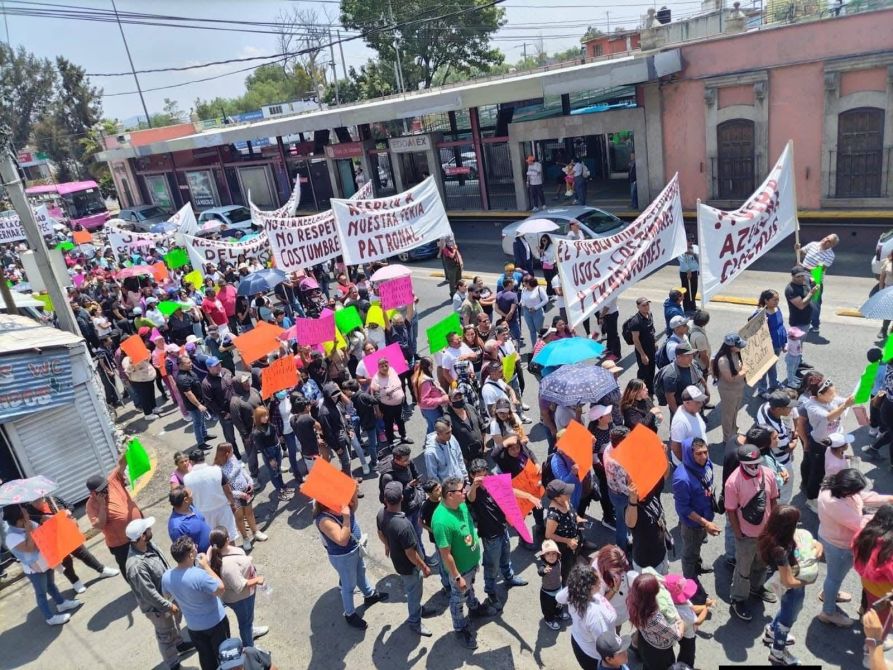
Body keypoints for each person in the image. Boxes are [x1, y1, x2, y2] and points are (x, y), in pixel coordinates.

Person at [817, 469, 893, 629]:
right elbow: (860, 524)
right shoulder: (833, 502)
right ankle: (828, 612)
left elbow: (863, 497)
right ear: (846, 489)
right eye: (856, 490)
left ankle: (830, 594)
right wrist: (882, 517)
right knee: (834, 578)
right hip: (838, 545)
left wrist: (888, 499)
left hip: (834, 538)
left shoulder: (836, 489)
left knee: (834, 577)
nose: (859, 493)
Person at [314, 491, 388, 629]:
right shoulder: (324, 519)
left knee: (361, 572)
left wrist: (354, 491)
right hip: (343, 557)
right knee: (349, 586)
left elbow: (353, 508)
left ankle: (369, 595)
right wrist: (346, 518)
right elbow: (342, 540)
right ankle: (350, 614)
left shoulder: (341, 505)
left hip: (355, 550)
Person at [124, 517, 190, 670]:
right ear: (141, 536)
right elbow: (149, 593)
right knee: (165, 635)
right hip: (158, 608)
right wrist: (167, 606)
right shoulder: (136, 566)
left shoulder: (149, 545)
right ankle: (174, 665)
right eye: (148, 529)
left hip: (168, 596)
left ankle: (180, 645)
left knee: (175, 624)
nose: (151, 530)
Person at [758, 504, 819, 666]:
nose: (798, 525)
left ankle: (771, 631)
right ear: (787, 528)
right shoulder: (780, 550)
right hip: (791, 588)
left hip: (788, 582)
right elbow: (788, 582)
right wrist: (809, 580)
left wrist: (815, 548)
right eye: (795, 523)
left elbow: (813, 544)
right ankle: (777, 652)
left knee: (786, 611)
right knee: (788, 619)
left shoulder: (773, 535)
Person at [725, 443, 780, 621]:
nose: (755, 467)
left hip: (765, 534)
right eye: (751, 464)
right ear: (741, 463)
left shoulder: (769, 474)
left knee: (762, 564)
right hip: (746, 536)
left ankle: (757, 588)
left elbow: (773, 500)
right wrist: (737, 533)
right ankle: (738, 600)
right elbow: (731, 510)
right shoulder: (733, 482)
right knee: (743, 569)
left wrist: (774, 526)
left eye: (758, 463)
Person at [433, 475, 489, 649]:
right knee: (458, 600)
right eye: (461, 490)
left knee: (470, 587)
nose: (464, 492)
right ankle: (460, 627)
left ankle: (474, 606)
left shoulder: (460, 503)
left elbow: (470, 498)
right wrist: (457, 576)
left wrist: (473, 486)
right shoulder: (441, 521)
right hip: (460, 571)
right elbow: (445, 554)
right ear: (450, 495)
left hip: (471, 564)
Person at [3, 505, 82, 625]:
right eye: (25, 514)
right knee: (41, 593)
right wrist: (29, 531)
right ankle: (50, 618)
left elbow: (44, 537)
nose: (28, 515)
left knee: (51, 585)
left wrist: (47, 522)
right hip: (34, 569)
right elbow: (29, 548)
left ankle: (61, 603)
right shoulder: (11, 537)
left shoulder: (30, 523)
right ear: (18, 519)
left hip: (46, 560)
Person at [467, 458, 528, 610]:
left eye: (484, 472)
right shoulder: (471, 490)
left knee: (506, 556)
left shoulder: (493, 483)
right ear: (472, 475)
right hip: (490, 536)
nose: (482, 476)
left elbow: (508, 495)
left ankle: (509, 577)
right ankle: (491, 592)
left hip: (503, 528)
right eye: (478, 474)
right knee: (491, 565)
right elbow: (470, 498)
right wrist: (474, 485)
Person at [161, 536, 229, 670]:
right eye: (194, 547)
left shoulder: (166, 576)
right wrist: (206, 567)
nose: (197, 547)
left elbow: (167, 595)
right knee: (225, 656)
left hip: (194, 627)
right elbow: (220, 589)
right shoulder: (199, 575)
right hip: (215, 623)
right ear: (191, 554)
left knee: (206, 658)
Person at [376, 481, 434, 637]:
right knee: (414, 593)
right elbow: (411, 553)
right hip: (409, 567)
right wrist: (424, 567)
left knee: (415, 592)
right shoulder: (403, 525)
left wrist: (387, 545)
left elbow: (380, 533)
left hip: (399, 562)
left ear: (385, 500)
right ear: (402, 498)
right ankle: (415, 621)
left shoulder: (381, 513)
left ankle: (419, 609)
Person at [672, 438, 721, 598]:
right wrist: (706, 523)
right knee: (688, 554)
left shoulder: (706, 464)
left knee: (697, 547)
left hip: (705, 517)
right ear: (689, 453)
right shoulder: (682, 479)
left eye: (705, 452)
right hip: (693, 524)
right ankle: (690, 583)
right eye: (698, 454)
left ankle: (697, 566)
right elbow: (683, 509)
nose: (704, 457)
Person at [86, 451, 145, 576]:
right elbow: (98, 525)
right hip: (122, 544)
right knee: (131, 572)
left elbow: (122, 463)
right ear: (93, 493)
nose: (106, 490)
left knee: (149, 560)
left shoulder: (112, 482)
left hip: (140, 532)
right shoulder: (91, 505)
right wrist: (102, 506)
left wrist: (128, 448)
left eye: (106, 487)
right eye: (102, 490)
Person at [207, 526, 267, 648]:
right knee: (245, 623)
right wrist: (257, 580)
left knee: (247, 620)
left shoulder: (215, 553)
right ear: (227, 539)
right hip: (240, 599)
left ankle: (250, 631)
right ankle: (249, 648)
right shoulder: (228, 566)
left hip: (240, 596)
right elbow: (239, 586)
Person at [804, 377, 854, 511]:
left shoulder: (831, 398)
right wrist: (845, 405)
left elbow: (844, 401)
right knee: (818, 472)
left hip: (835, 441)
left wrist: (858, 395)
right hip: (820, 445)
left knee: (832, 469)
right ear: (820, 395)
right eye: (831, 394)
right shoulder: (812, 406)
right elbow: (829, 417)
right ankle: (811, 498)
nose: (834, 396)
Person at [556, 563, 617, 669]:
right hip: (593, 656)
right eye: (598, 582)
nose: (601, 582)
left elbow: (559, 597)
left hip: (578, 640)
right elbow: (604, 644)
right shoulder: (595, 615)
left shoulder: (574, 593)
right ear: (590, 587)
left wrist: (575, 584)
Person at [853, 504, 893, 663]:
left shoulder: (864, 534)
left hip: (868, 583)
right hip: (884, 591)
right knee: (882, 621)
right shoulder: (889, 549)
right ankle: (869, 655)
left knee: (872, 609)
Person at [183, 449, 240, 546]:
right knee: (228, 536)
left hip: (203, 514)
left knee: (213, 541)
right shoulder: (217, 470)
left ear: (191, 462)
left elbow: (190, 499)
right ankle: (231, 555)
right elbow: (228, 490)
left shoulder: (186, 478)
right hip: (222, 508)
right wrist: (232, 503)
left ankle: (219, 559)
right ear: (203, 458)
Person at [627, 573, 683, 670]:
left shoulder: (632, 600)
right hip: (658, 653)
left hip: (644, 641)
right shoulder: (654, 618)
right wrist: (680, 622)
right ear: (651, 595)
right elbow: (676, 636)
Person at [756, 391, 798, 504]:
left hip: (766, 453)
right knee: (785, 485)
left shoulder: (764, 407)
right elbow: (787, 448)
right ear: (778, 409)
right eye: (788, 407)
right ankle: (781, 510)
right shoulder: (776, 429)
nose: (791, 410)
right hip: (780, 459)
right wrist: (795, 439)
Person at [626, 480, 670, 575]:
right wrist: (633, 500)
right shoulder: (633, 507)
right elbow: (630, 523)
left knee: (665, 580)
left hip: (662, 554)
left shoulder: (652, 494)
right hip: (647, 565)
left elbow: (664, 474)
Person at [797, 233, 838, 333]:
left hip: (815, 280)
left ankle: (815, 325)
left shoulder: (830, 255)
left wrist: (803, 267)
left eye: (829, 241)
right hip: (803, 276)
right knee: (802, 300)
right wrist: (797, 249)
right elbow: (801, 252)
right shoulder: (813, 244)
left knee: (815, 303)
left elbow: (819, 269)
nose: (826, 240)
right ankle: (803, 321)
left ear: (832, 245)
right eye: (826, 238)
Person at [545, 480, 585, 581]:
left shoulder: (565, 500)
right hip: (565, 547)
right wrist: (567, 541)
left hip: (574, 540)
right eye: (565, 492)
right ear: (557, 497)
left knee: (574, 558)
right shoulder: (554, 515)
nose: (569, 493)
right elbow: (548, 535)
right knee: (567, 568)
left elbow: (572, 512)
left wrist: (577, 518)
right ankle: (567, 585)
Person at [249, 407, 291, 501]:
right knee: (274, 473)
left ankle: (283, 487)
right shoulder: (256, 432)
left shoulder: (269, 425)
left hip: (277, 448)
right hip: (269, 452)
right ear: (258, 418)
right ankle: (279, 492)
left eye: (267, 415)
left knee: (278, 470)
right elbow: (261, 447)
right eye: (263, 416)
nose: (266, 417)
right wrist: (270, 459)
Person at [713, 333, 748, 442]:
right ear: (731, 347)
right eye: (738, 345)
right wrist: (744, 371)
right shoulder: (723, 360)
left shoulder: (736, 353)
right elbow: (730, 379)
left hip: (738, 389)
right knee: (728, 414)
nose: (741, 347)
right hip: (728, 391)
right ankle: (727, 438)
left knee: (735, 411)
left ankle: (733, 430)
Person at [371, 357, 411, 446]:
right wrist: (377, 410)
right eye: (382, 366)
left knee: (400, 421)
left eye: (386, 365)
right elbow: (375, 397)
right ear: (378, 367)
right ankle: (391, 443)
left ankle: (403, 436)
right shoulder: (376, 379)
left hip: (399, 404)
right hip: (386, 407)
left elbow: (399, 384)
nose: (385, 368)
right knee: (388, 425)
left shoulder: (392, 370)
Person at [755, 290, 788, 398]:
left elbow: (781, 326)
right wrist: (761, 321)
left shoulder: (777, 309)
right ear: (766, 300)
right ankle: (762, 390)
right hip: (766, 346)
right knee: (763, 369)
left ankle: (774, 384)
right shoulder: (760, 313)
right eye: (774, 299)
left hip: (777, 344)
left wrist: (784, 342)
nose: (777, 302)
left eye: (778, 299)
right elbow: (752, 329)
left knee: (772, 365)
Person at [230, 372, 263, 478]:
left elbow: (262, 404)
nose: (247, 383)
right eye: (244, 382)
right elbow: (237, 421)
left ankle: (275, 467)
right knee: (252, 455)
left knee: (268, 449)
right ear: (238, 385)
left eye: (247, 381)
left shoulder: (253, 390)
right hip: (249, 433)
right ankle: (254, 476)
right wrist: (245, 436)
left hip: (262, 427)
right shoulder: (235, 402)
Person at [202, 357, 237, 453]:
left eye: (219, 364)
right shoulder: (206, 384)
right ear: (209, 368)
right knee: (230, 439)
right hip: (226, 415)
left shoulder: (226, 371)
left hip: (237, 408)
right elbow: (209, 402)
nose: (219, 367)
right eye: (215, 366)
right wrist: (223, 414)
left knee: (245, 433)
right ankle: (236, 458)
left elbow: (234, 383)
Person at [177, 355, 211, 451]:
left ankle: (205, 435)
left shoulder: (189, 371)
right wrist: (199, 405)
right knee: (197, 423)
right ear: (181, 365)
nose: (191, 364)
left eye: (190, 362)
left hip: (199, 400)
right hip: (193, 405)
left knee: (202, 420)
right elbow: (189, 394)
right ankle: (201, 443)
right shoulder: (182, 378)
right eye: (188, 363)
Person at [446, 387, 486, 464]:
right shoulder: (448, 419)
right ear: (450, 402)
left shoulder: (470, 407)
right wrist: (461, 458)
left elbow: (482, 427)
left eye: (460, 397)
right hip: (466, 458)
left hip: (480, 451)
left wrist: (484, 445)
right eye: (455, 398)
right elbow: (449, 443)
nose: (458, 400)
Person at [668, 385, 707, 464]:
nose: (701, 404)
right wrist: (689, 464)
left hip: (699, 457)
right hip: (690, 465)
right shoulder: (680, 422)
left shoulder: (693, 410)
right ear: (687, 403)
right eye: (698, 402)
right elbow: (676, 448)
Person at [424, 417, 470, 483]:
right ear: (438, 434)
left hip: (460, 481)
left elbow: (459, 459)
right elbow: (433, 476)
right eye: (447, 433)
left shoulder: (452, 438)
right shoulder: (430, 453)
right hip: (448, 489)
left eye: (451, 431)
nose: (450, 434)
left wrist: (466, 479)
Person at [168, 486, 212, 552]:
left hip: (213, 549)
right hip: (204, 559)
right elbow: (183, 552)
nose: (192, 495)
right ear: (186, 500)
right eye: (191, 494)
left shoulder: (190, 507)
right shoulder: (176, 527)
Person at [628, 297, 657, 394]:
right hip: (643, 350)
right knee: (644, 372)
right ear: (638, 307)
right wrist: (643, 355)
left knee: (652, 369)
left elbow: (652, 330)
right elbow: (635, 339)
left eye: (647, 304)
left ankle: (650, 389)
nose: (646, 307)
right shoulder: (635, 321)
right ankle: (636, 391)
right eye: (643, 305)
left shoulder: (650, 314)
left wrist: (655, 342)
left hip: (652, 348)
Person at [537, 539, 565, 631]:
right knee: (548, 608)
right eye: (548, 554)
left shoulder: (559, 562)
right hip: (547, 593)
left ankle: (558, 613)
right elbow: (540, 571)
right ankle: (549, 619)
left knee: (559, 603)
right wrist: (544, 571)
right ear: (543, 556)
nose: (551, 556)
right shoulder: (545, 566)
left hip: (558, 588)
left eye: (554, 553)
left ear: (558, 555)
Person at [784, 265, 819, 332]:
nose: (801, 278)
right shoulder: (791, 290)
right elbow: (801, 306)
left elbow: (812, 277)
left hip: (807, 320)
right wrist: (811, 293)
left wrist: (814, 282)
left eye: (802, 275)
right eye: (798, 277)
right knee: (797, 342)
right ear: (792, 276)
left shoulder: (805, 280)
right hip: (798, 323)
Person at [520, 275, 548, 348]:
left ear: (529, 283)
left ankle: (543, 346)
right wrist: (522, 303)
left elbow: (546, 300)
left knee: (539, 330)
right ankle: (534, 348)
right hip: (526, 311)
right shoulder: (524, 289)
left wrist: (535, 307)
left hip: (537, 312)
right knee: (532, 331)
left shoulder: (539, 289)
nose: (523, 283)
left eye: (524, 282)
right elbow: (522, 298)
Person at [677, 240, 699, 313]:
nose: (691, 242)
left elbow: (699, 256)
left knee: (694, 290)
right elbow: (682, 261)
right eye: (689, 241)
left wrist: (692, 253)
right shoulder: (680, 248)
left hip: (694, 271)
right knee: (686, 291)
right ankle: (687, 308)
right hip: (686, 272)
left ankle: (693, 306)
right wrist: (688, 270)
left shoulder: (695, 247)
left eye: (692, 240)